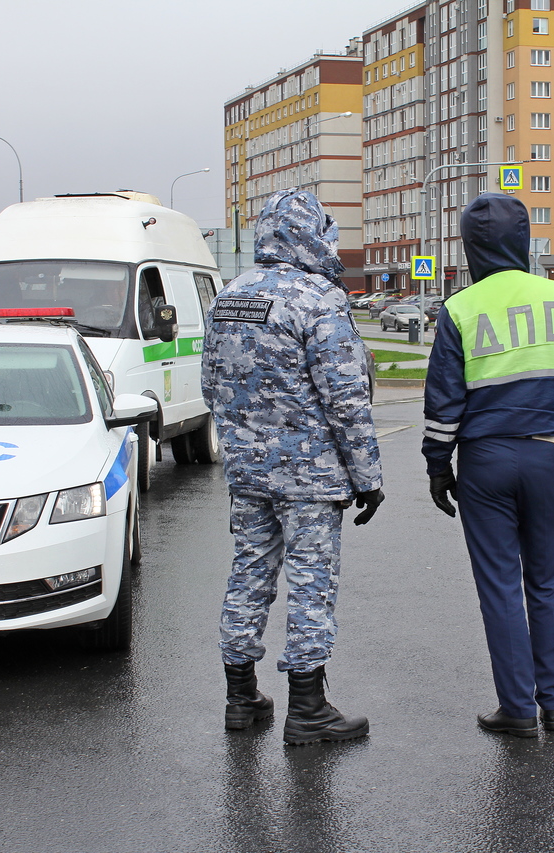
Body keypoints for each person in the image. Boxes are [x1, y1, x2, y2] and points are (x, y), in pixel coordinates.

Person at [202, 188, 384, 746]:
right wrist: (368, 478)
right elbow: (347, 398)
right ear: (312, 234)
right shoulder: (318, 299)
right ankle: (307, 708)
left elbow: (211, 386)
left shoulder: (230, 296)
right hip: (310, 479)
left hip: (248, 473)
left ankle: (241, 697)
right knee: (310, 584)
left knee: (248, 575)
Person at [422, 192, 554, 738]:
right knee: (547, 581)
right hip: (546, 455)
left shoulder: (459, 308)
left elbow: (443, 404)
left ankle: (518, 710)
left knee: (500, 583)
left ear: (471, 247)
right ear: (523, 242)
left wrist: (438, 467)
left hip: (485, 461)